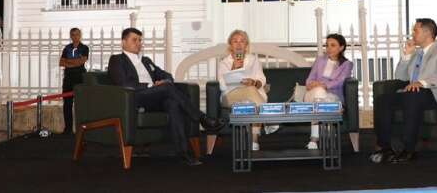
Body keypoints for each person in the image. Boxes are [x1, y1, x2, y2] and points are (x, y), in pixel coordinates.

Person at [108, 27, 226, 166]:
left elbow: (167, 75)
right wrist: (152, 86)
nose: (138, 43)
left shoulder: (146, 61)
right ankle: (202, 118)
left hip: (155, 98)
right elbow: (124, 83)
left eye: (140, 40)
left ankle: (183, 154)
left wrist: (164, 81)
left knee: (172, 103)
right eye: (134, 40)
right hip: (134, 98)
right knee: (167, 88)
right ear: (123, 42)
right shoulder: (117, 60)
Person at [369, 18, 437, 164]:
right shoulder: (417, 53)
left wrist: (421, 83)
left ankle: (409, 149)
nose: (412, 34)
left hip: (434, 93)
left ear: (427, 33)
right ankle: (385, 147)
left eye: (415, 31)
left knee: (413, 96)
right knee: (382, 100)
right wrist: (407, 56)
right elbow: (401, 77)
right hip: (413, 92)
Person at [217, 29, 277, 151]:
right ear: (230, 45)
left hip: (252, 96)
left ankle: (254, 141)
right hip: (230, 96)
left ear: (246, 45)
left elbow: (262, 79)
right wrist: (233, 68)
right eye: (235, 41)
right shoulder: (224, 63)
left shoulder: (253, 60)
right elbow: (222, 86)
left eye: (242, 41)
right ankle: (268, 120)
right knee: (251, 92)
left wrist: (253, 82)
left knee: (251, 101)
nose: (239, 44)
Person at [303, 33, 353, 149]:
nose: (329, 48)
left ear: (341, 47)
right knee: (318, 93)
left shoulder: (347, 64)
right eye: (327, 45)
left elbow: (340, 81)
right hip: (312, 94)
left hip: (332, 96)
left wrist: (324, 85)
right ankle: (329, 124)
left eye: (333, 45)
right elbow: (310, 79)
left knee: (319, 98)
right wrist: (312, 84)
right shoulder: (320, 60)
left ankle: (314, 139)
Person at [59, 27, 89, 135]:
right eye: (73, 34)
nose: (75, 36)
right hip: (68, 79)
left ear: (80, 35)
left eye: (77, 34)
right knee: (67, 104)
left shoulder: (84, 48)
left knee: (80, 105)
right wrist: (74, 62)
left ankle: (81, 130)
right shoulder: (67, 48)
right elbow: (61, 62)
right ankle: (68, 130)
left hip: (79, 78)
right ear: (70, 36)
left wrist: (69, 62)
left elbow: (81, 61)